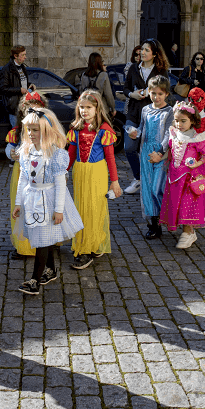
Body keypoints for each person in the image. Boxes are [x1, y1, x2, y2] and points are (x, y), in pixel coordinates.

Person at [12, 108, 84, 295]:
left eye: (35, 130)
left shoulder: (56, 155)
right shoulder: (26, 152)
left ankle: (35, 279)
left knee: (43, 240)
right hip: (32, 199)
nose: (30, 134)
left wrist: (58, 210)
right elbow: (23, 179)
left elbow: (61, 184)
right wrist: (19, 203)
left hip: (49, 200)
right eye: (28, 129)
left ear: (46, 130)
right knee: (44, 237)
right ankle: (50, 270)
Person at [66, 90, 121, 270]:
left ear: (97, 109)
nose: (84, 111)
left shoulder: (104, 130)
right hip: (80, 173)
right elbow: (71, 153)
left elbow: (111, 158)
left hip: (96, 173)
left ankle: (89, 248)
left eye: (88, 107)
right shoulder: (76, 129)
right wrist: (63, 170)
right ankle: (88, 243)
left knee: (94, 208)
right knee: (81, 208)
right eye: (81, 107)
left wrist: (114, 181)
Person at [160, 100, 205, 248]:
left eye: (183, 121)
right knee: (176, 203)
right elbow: (171, 152)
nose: (179, 124)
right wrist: (161, 157)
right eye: (177, 120)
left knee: (187, 204)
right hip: (174, 176)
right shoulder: (174, 134)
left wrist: (196, 164)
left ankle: (188, 232)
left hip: (188, 178)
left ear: (192, 121)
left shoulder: (196, 139)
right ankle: (186, 231)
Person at [127, 75, 173, 238]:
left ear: (166, 94)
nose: (156, 97)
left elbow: (168, 134)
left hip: (160, 155)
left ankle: (164, 218)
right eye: (153, 93)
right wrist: (135, 134)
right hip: (145, 153)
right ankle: (153, 224)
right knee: (146, 190)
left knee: (157, 188)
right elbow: (141, 128)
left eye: (160, 93)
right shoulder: (145, 109)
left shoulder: (169, 111)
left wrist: (160, 153)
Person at [123, 39, 170, 195]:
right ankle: (138, 178)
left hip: (153, 115)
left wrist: (148, 94)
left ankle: (152, 180)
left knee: (149, 149)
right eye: (142, 49)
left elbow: (163, 92)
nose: (142, 52)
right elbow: (126, 88)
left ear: (155, 54)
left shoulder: (160, 71)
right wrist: (132, 94)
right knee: (129, 147)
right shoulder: (133, 69)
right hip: (134, 113)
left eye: (146, 50)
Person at [5, 91, 47, 259]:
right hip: (21, 172)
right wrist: (11, 152)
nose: (32, 110)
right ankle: (25, 244)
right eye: (28, 107)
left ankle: (45, 242)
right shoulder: (17, 131)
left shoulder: (47, 130)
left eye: (36, 106)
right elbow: (10, 146)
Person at [0, 45, 30, 128]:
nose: (25, 57)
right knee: (18, 133)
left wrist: (30, 85)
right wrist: (19, 90)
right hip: (14, 107)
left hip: (24, 106)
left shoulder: (23, 67)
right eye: (22, 55)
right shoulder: (7, 69)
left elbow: (21, 83)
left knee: (25, 133)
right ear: (15, 56)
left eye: (25, 54)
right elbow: (2, 89)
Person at [79, 52, 116, 118]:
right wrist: (113, 108)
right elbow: (108, 94)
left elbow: (81, 92)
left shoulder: (84, 75)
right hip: (101, 108)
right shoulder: (103, 75)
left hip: (88, 108)